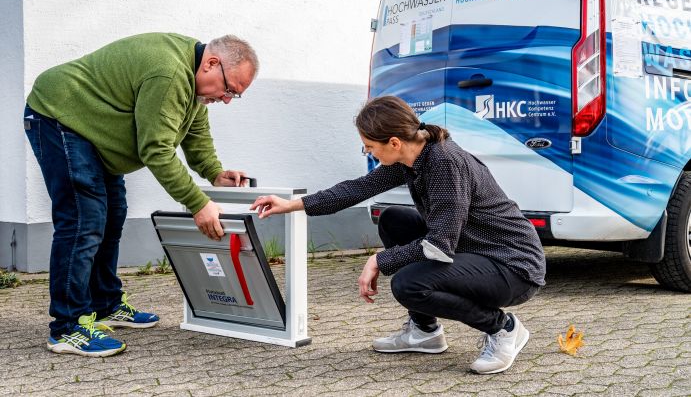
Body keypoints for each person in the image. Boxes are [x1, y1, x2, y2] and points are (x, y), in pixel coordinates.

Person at [250, 95, 545, 374]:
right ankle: (424, 331)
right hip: (475, 248)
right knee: (393, 220)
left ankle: (503, 328)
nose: (368, 152)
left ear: (393, 142)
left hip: (513, 266)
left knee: (408, 284)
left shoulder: (445, 163)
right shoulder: (412, 157)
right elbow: (358, 188)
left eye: (369, 146)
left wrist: (380, 259)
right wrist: (293, 204)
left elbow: (439, 245)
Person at [24, 33, 258, 357]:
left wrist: (214, 172)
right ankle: (66, 328)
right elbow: (156, 150)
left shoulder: (193, 81)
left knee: (113, 215)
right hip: (60, 116)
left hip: (92, 135)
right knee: (83, 222)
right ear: (212, 63)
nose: (228, 99)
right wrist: (198, 204)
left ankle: (104, 304)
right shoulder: (170, 73)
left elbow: (194, 132)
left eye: (236, 95)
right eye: (230, 89)